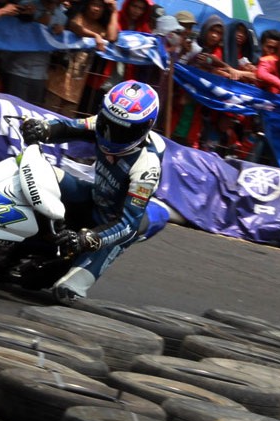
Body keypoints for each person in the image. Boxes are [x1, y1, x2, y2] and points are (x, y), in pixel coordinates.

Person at [19, 80, 169, 304]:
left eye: (123, 131)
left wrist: (89, 239)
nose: (111, 134)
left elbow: (128, 225)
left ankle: (76, 269)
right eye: (108, 124)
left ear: (145, 126)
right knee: (37, 173)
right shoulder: (103, 122)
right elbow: (70, 126)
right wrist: (43, 128)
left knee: (65, 292)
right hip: (94, 195)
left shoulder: (147, 167)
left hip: (112, 225)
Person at [45, 0, 118, 117]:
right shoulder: (77, 16)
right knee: (45, 117)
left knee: (64, 124)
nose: (96, 9)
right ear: (87, 5)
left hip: (75, 92)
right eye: (94, 4)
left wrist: (114, 12)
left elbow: (112, 37)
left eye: (100, 6)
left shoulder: (100, 29)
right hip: (55, 84)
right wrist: (94, 35)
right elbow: (74, 27)